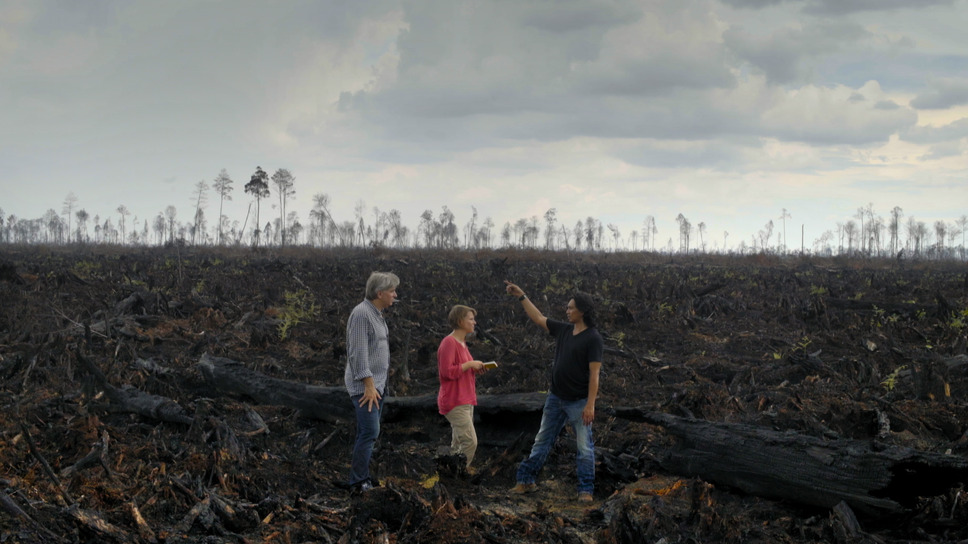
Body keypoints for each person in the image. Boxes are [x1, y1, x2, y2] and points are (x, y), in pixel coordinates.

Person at [504, 280, 603, 503]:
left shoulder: (593, 339)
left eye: (570, 308)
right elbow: (538, 318)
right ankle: (526, 481)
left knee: (584, 447)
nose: (566, 311)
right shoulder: (565, 330)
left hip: (578, 402)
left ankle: (585, 490)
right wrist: (521, 295)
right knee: (542, 440)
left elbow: (595, 374)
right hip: (555, 398)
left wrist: (590, 404)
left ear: (583, 311)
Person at [344, 271, 400, 493]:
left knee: (367, 433)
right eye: (392, 291)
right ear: (379, 293)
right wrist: (368, 385)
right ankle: (358, 483)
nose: (395, 295)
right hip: (365, 387)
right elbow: (357, 353)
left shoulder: (376, 313)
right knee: (369, 432)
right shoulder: (361, 314)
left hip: (377, 385)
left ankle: (361, 477)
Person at [437, 304, 488, 473]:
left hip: (466, 399)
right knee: (470, 442)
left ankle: (449, 474)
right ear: (460, 321)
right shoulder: (449, 343)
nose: (474, 322)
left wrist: (476, 368)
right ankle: (459, 474)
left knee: (458, 444)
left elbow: (463, 369)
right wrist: (469, 364)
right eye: (471, 319)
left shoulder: (463, 343)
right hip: (454, 400)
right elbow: (447, 372)